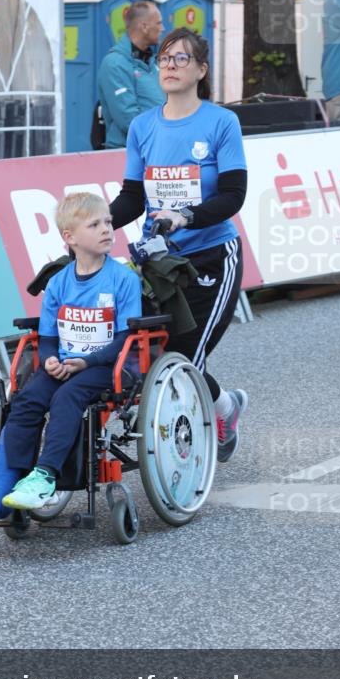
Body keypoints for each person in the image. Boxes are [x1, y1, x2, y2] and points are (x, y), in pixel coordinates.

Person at [109, 27, 248, 462]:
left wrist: (185, 216)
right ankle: (224, 406)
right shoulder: (142, 126)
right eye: (164, 59)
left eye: (181, 59)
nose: (169, 66)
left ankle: (188, 433)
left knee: (182, 355)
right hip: (160, 262)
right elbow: (133, 198)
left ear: (201, 70)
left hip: (212, 257)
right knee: (154, 353)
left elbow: (232, 195)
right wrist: (93, 224)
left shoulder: (221, 122)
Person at [0, 192, 142, 518]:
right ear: (70, 237)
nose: (107, 229)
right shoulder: (59, 282)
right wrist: (50, 359)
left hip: (106, 365)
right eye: (95, 224)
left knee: (67, 397)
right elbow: (47, 337)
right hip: (64, 363)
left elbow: (125, 339)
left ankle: (45, 476)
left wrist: (87, 361)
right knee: (27, 398)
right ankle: (3, 483)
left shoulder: (124, 279)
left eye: (108, 221)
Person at [97, 0, 166, 149]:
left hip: (157, 149)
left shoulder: (152, 62)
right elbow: (129, 120)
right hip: (129, 155)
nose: (163, 28)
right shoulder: (115, 64)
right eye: (159, 23)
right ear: (144, 27)